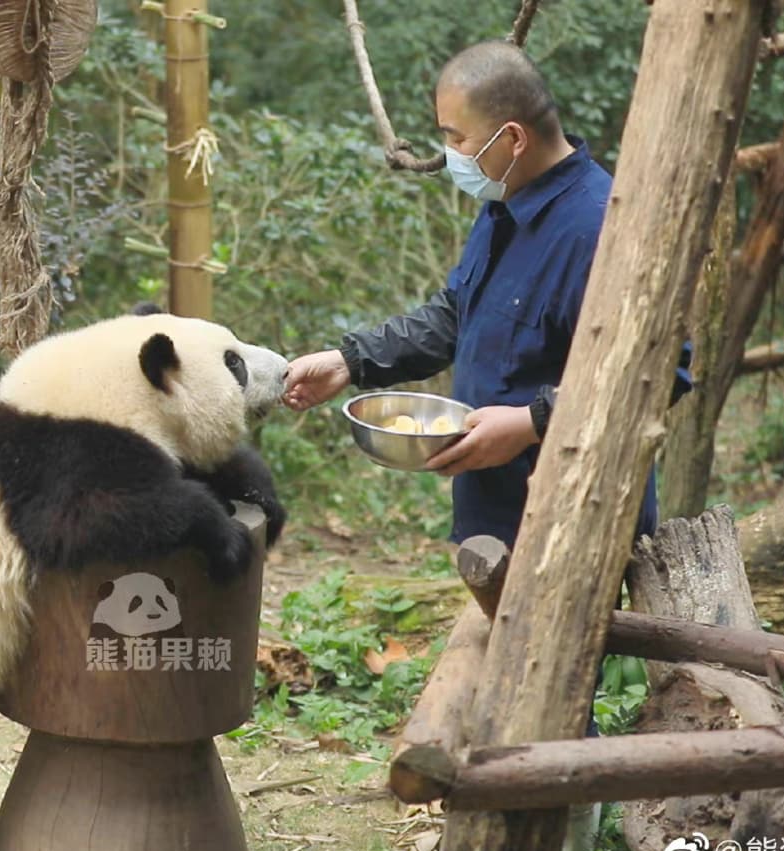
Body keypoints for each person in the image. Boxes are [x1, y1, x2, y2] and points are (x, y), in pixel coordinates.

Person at [284, 39, 690, 550]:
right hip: (492, 514)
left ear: (512, 138)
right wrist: (350, 361)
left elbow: (658, 375)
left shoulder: (602, 229)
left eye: (456, 138)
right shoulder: (505, 201)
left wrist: (529, 423)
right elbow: (459, 313)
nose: (450, 155)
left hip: (571, 526)